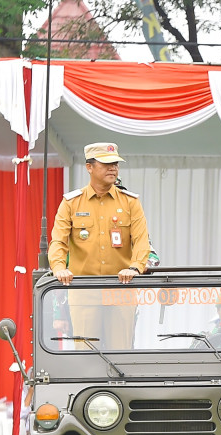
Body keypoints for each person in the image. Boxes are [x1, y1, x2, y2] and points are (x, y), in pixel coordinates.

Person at [49, 142, 152, 350]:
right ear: (89, 167)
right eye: (106, 164)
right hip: (84, 289)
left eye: (115, 163)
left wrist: (134, 267)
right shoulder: (71, 203)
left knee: (120, 353)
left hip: (122, 288)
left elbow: (142, 241)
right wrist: (59, 268)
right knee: (86, 353)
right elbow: (58, 241)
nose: (113, 168)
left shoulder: (130, 202)